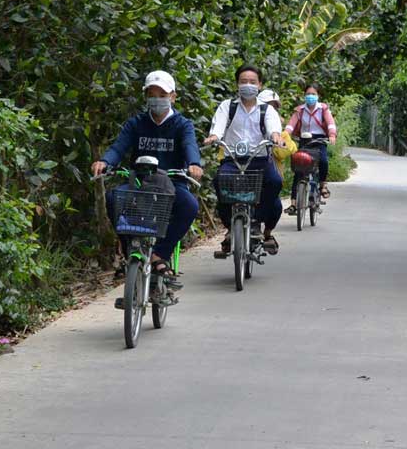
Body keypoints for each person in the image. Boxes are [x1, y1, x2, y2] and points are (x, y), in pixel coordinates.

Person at [91, 71, 204, 286]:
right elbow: (119, 147)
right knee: (114, 198)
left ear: (172, 96)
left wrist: (194, 164)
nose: (157, 99)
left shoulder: (182, 125)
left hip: (172, 183)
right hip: (139, 182)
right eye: (152, 94)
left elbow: (190, 145)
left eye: (162, 94)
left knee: (189, 205)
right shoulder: (136, 124)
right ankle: (129, 250)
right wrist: (105, 162)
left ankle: (159, 255)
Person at [204, 64, 284, 256]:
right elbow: (218, 126)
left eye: (252, 82)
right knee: (219, 183)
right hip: (233, 160)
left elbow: (273, 127)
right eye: (243, 81)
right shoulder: (227, 106)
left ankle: (257, 222)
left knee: (275, 182)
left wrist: (275, 136)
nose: (248, 85)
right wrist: (214, 137)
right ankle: (231, 229)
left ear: (260, 85)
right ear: (237, 84)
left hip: (260, 160)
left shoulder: (267, 110)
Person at [285, 83, 338, 201]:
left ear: (318, 95)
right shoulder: (300, 110)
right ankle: (293, 203)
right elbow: (290, 125)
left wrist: (332, 135)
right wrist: (285, 135)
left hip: (320, 139)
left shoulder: (323, 109)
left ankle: (323, 184)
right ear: (304, 95)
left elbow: (330, 123)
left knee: (323, 161)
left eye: (313, 94)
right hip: (304, 140)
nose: (310, 96)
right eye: (308, 94)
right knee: (298, 168)